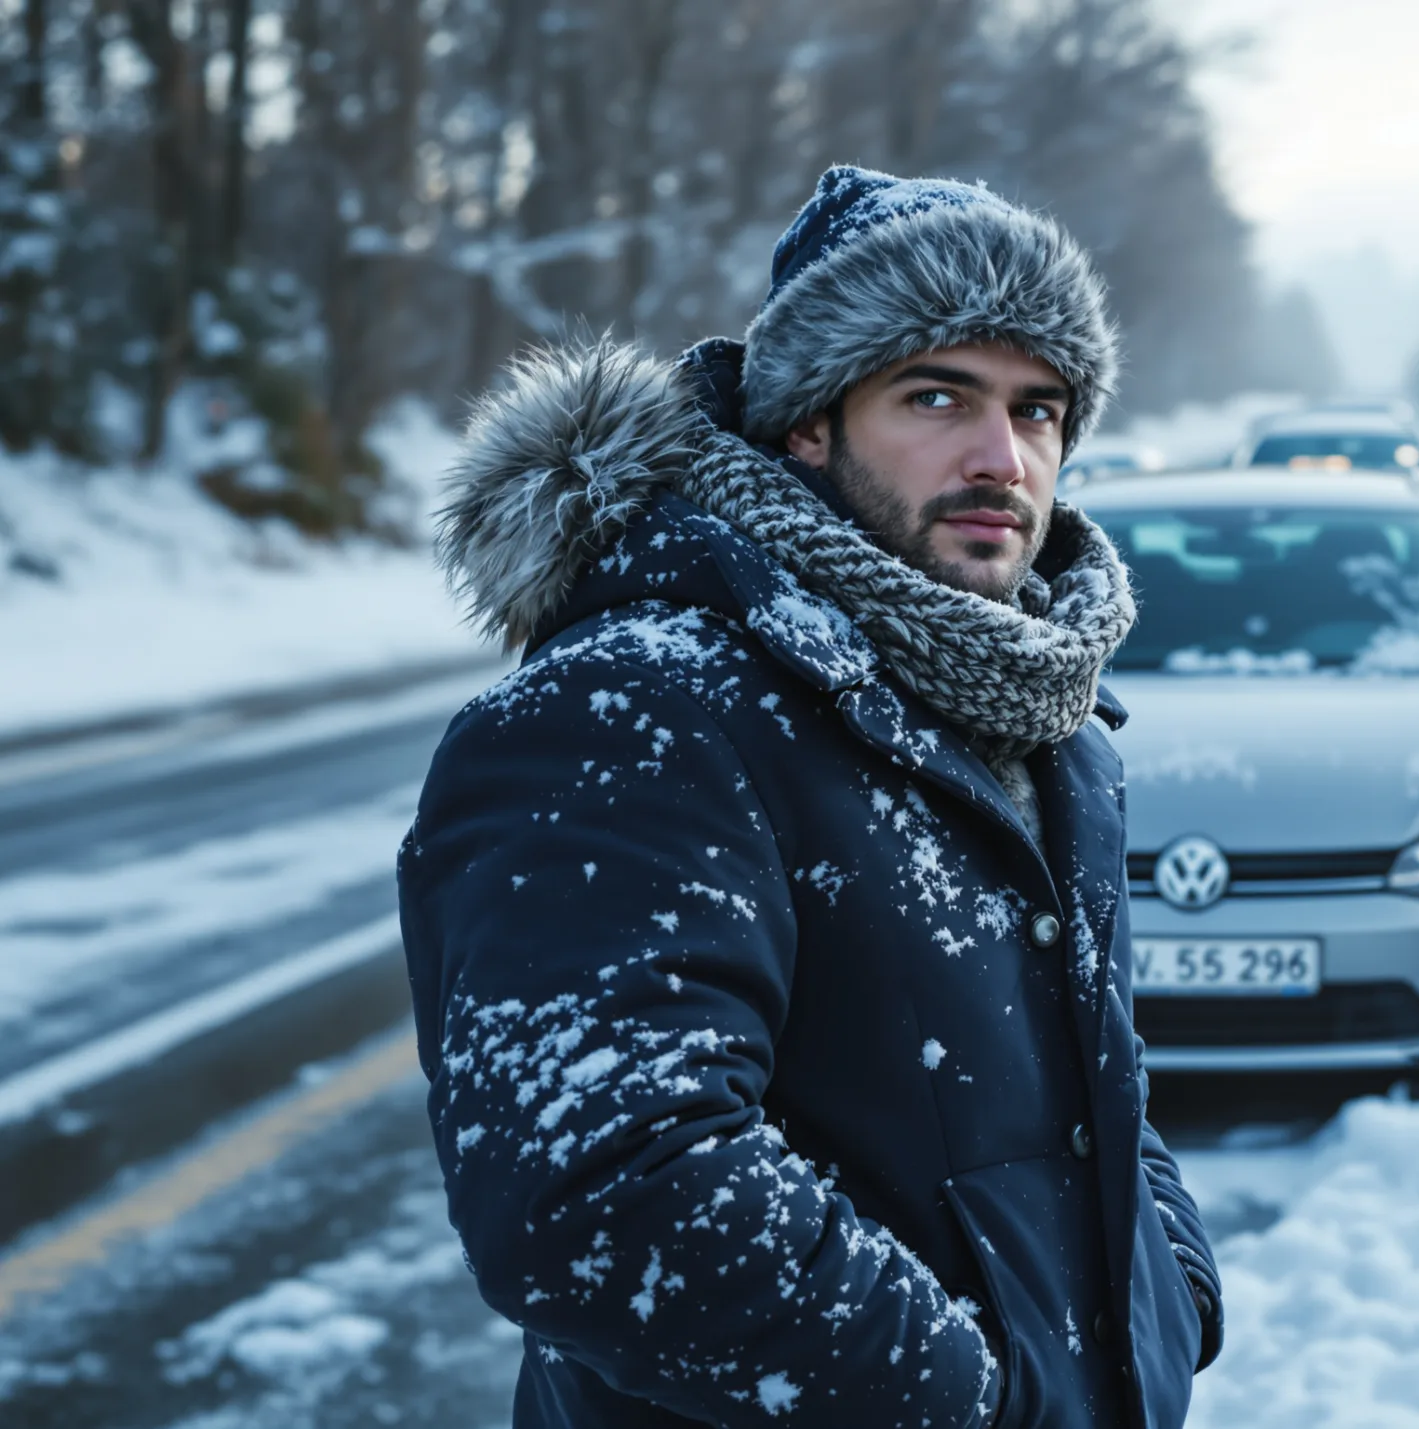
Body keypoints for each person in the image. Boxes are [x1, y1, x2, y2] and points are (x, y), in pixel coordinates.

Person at [399, 165, 1220, 1429]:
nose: (1001, 456)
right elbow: (599, 1188)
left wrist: (1168, 1292)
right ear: (808, 425)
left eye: (1039, 409)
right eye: (936, 395)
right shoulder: (637, 707)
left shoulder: (1043, 718)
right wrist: (973, 1404)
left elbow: (1085, 1089)